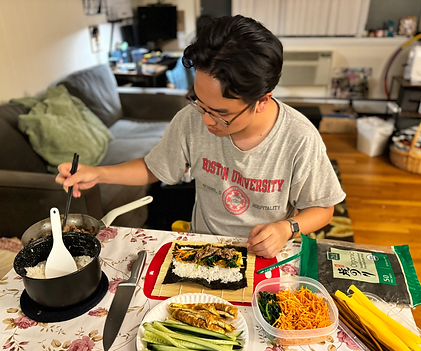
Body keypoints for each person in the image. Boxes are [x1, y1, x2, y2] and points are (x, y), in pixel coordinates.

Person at [56, 15, 345, 258]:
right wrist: (97, 173)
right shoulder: (191, 120)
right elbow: (154, 167)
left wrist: (287, 228)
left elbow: (322, 207)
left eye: (220, 113)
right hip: (204, 248)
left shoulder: (299, 138)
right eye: (199, 102)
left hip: (266, 255)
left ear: (262, 101)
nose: (205, 120)